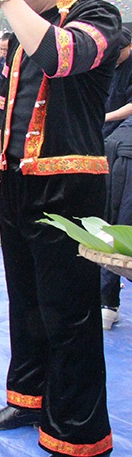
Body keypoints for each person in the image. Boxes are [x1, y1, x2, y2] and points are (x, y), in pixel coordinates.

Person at [0, 0, 121, 454]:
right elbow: (0, 118)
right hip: (18, 183)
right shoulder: (13, 36)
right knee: (25, 303)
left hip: (70, 188)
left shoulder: (98, 18)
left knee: (69, 312)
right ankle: (28, 398)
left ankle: (75, 429)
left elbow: (59, 58)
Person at [100, 27, 132, 330]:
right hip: (113, 147)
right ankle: (107, 303)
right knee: (117, 224)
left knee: (115, 226)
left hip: (117, 144)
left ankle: (108, 303)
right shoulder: (106, 63)